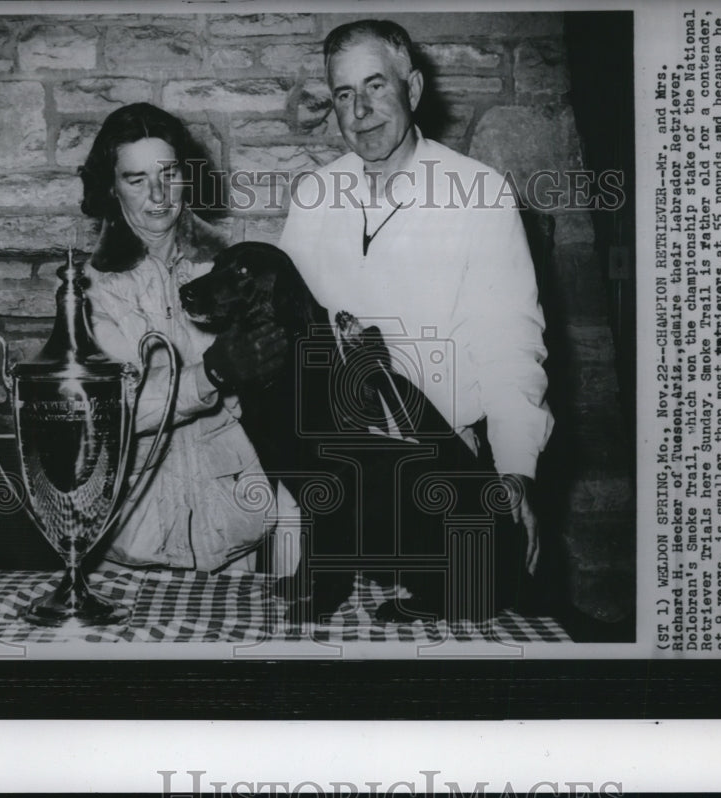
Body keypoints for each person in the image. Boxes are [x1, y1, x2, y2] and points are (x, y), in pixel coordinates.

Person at [279, 20, 555, 576]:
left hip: (439, 473)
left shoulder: (479, 196)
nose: (360, 111)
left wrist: (516, 469)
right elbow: (289, 338)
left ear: (414, 88)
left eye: (376, 85)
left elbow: (509, 347)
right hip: (329, 477)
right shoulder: (313, 198)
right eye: (344, 94)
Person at [79, 102, 290, 573]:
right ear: (111, 189)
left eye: (169, 173)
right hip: (131, 541)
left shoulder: (231, 266)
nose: (158, 195)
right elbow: (111, 410)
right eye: (136, 180)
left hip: (237, 528)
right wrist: (212, 373)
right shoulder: (89, 292)